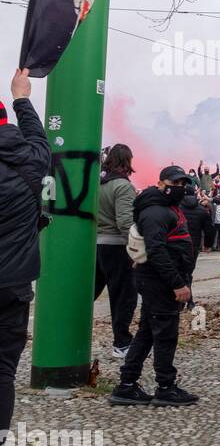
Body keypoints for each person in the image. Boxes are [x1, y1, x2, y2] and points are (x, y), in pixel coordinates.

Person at [108, 166, 198, 407]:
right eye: (174, 182)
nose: (179, 188)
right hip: (160, 282)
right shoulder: (156, 212)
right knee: (166, 335)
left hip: (158, 280)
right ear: (161, 183)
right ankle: (165, 387)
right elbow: (156, 250)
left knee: (147, 333)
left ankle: (127, 385)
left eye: (182, 184)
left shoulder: (166, 208)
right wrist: (177, 284)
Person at [0, 69, 52, 446]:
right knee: (2, 372)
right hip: (13, 287)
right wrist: (22, 97)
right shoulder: (31, 161)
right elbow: (39, 140)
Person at [95, 143, 138, 358]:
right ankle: (122, 343)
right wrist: (135, 251)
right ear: (127, 161)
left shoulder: (97, 183)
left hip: (95, 245)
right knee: (123, 296)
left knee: (89, 293)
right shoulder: (122, 186)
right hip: (117, 247)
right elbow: (125, 222)